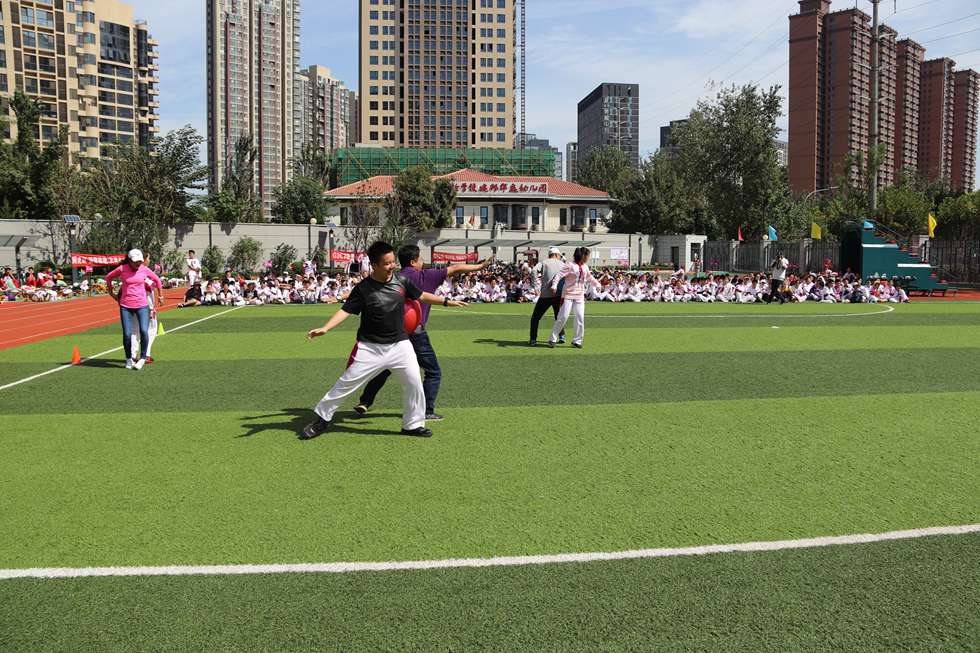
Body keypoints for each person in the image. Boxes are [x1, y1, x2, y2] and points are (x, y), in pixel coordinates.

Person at [302, 241, 469, 440]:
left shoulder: (402, 281)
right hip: (370, 347)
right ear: (374, 265)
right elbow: (345, 310)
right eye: (387, 263)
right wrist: (326, 328)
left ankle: (413, 425)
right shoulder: (364, 288)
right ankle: (322, 419)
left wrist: (447, 301)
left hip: (400, 345)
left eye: (393, 262)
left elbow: (422, 296)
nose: (392, 266)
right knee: (345, 384)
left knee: (414, 383)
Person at [353, 245, 492, 421]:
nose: (423, 262)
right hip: (416, 333)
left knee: (387, 368)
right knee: (433, 372)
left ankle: (365, 401)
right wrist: (480, 266)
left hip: (394, 331)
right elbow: (456, 268)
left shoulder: (393, 276)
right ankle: (426, 411)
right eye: (420, 259)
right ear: (413, 262)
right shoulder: (426, 276)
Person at [106, 249, 163, 370]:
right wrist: (111, 292)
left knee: (143, 331)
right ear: (130, 260)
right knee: (127, 334)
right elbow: (108, 277)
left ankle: (142, 358)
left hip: (142, 306)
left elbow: (157, 280)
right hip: (125, 306)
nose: (138, 264)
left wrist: (161, 296)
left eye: (140, 261)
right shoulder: (122, 269)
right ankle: (129, 359)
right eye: (136, 262)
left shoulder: (144, 269)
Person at [548, 247, 601, 349]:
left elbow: (589, 277)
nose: (588, 258)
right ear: (583, 256)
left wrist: (597, 284)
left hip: (580, 296)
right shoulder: (570, 265)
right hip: (567, 295)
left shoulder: (585, 267)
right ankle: (552, 338)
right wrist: (554, 285)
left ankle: (577, 341)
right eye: (588, 256)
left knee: (580, 317)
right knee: (563, 317)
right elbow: (558, 275)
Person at [529, 247, 566, 346]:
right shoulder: (563, 264)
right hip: (559, 294)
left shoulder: (544, 262)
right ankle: (562, 336)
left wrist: (535, 286)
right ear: (557, 255)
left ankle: (533, 339)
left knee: (535, 318)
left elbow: (533, 271)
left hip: (545, 295)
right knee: (559, 317)